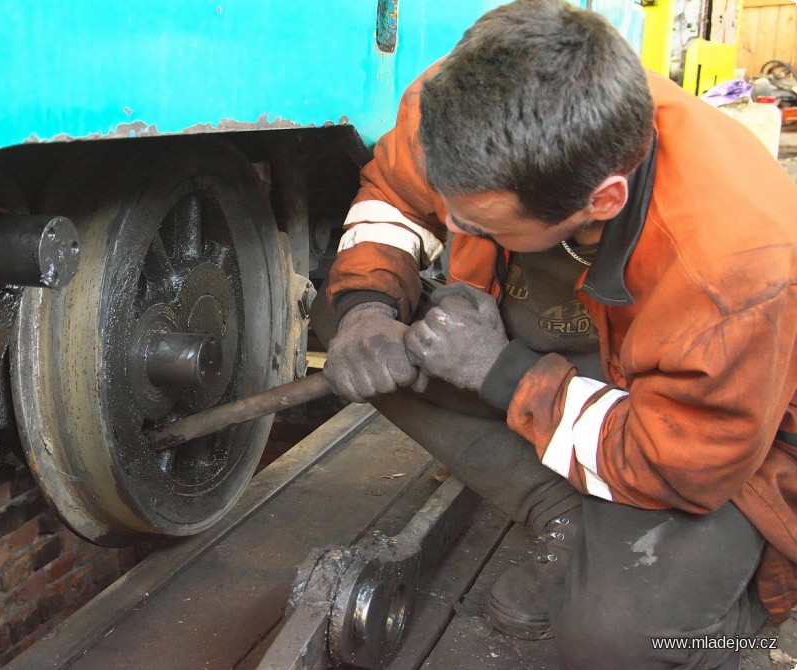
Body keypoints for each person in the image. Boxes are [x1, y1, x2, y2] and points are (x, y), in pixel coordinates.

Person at [315, 1, 797, 668]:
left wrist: (500, 372)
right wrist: (367, 309)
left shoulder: (731, 273)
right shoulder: (472, 100)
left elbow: (684, 463)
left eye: (477, 219)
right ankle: (563, 510)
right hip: (574, 367)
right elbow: (397, 192)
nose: (448, 221)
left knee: (614, 644)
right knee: (368, 342)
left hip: (703, 437)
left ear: (601, 202)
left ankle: (730, 618)